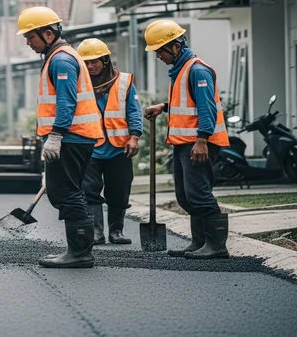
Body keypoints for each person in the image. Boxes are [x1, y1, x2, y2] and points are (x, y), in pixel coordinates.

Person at [16, 7, 104, 268]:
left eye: (30, 37)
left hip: (71, 138)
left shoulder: (61, 60)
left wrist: (55, 136)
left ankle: (80, 253)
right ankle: (79, 251)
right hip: (74, 137)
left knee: (67, 193)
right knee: (66, 192)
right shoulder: (57, 56)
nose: (28, 43)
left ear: (47, 33)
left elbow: (67, 102)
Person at [142, 19, 231, 260]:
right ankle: (199, 242)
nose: (158, 56)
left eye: (160, 50)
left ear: (176, 46)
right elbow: (188, 104)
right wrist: (164, 106)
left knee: (199, 194)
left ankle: (216, 246)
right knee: (185, 195)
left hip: (198, 144)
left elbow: (207, 109)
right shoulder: (182, 70)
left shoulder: (197, 70)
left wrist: (202, 141)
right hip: (184, 143)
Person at [77, 38, 143, 245]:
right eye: (85, 62)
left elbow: (133, 111)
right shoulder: (79, 83)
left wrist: (134, 136)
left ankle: (116, 231)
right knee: (89, 191)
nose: (90, 66)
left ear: (105, 60)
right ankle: (97, 232)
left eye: (94, 61)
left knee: (120, 190)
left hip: (119, 148)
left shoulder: (123, 82)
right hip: (90, 147)